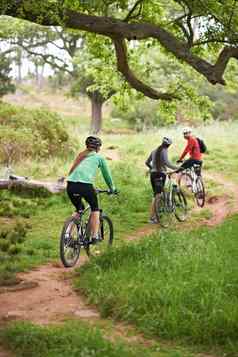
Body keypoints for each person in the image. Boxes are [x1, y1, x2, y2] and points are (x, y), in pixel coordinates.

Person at [67, 136, 116, 242]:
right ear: (98, 148)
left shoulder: (81, 156)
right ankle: (95, 236)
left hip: (70, 185)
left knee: (79, 208)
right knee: (95, 208)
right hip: (85, 186)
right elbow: (106, 175)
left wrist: (91, 187)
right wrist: (112, 188)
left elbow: (78, 175)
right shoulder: (99, 158)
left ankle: (67, 234)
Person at [145, 137, 178, 223]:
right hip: (160, 175)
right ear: (169, 145)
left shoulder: (154, 150)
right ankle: (154, 218)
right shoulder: (164, 151)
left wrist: (153, 168)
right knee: (158, 196)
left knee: (155, 195)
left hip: (153, 174)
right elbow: (167, 163)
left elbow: (147, 162)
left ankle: (154, 216)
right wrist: (177, 168)